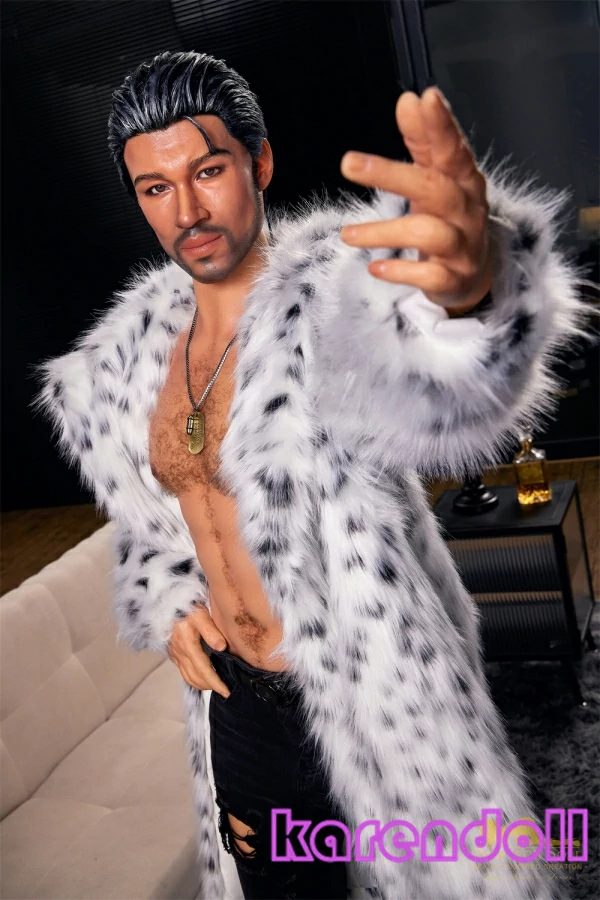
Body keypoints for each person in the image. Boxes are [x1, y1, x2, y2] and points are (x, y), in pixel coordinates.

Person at [33, 50, 594, 900]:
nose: (187, 210)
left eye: (208, 171)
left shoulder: (334, 304)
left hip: (373, 696)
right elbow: (158, 523)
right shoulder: (127, 365)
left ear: (259, 163)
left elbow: (438, 364)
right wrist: (172, 603)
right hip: (239, 708)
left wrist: (474, 293)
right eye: (154, 187)